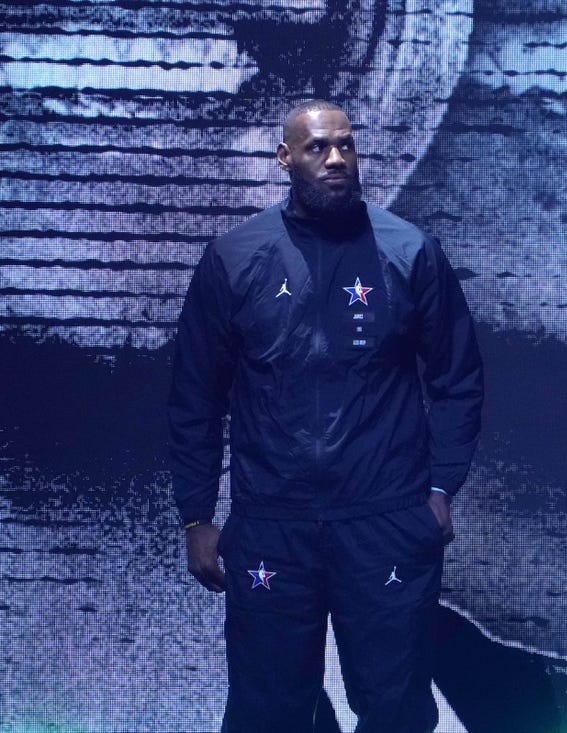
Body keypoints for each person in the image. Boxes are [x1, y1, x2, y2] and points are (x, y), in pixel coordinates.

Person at [168, 99, 484, 732]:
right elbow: (196, 395)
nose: (336, 158)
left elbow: (458, 379)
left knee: (395, 707)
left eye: (346, 145)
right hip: (273, 524)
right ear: (285, 158)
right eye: (317, 147)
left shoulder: (409, 250)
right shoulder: (235, 257)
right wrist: (198, 514)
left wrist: (442, 484)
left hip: (386, 518)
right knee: (268, 710)